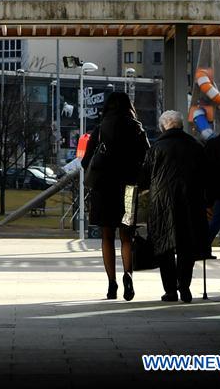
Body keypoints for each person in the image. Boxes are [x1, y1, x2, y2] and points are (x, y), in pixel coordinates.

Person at [81, 92, 150, 301]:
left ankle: (112, 284)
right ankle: (128, 275)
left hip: (103, 190)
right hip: (128, 188)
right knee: (126, 235)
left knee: (107, 236)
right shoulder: (136, 127)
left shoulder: (100, 129)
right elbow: (147, 156)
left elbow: (86, 162)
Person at [139, 110, 211, 303]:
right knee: (187, 246)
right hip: (191, 202)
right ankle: (185, 288)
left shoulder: (156, 148)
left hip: (162, 204)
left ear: (164, 127)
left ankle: (170, 290)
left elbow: (144, 177)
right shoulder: (196, 147)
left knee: (165, 246)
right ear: (181, 126)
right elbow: (206, 175)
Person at [204, 123, 220, 246]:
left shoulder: (212, 145)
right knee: (218, 221)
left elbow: (207, 171)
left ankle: (203, 246)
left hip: (217, 191)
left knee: (217, 220)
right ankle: (203, 246)